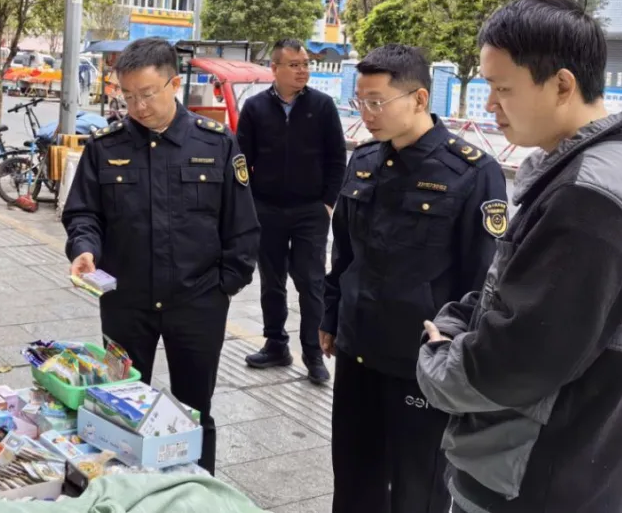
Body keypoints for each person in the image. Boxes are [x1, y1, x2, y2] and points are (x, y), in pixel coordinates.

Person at [418, 0, 622, 513]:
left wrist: (439, 357)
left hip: (532, 477)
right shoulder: (590, 169)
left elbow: (520, 360)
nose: (490, 104)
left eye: (502, 87)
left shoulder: (587, 197)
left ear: (561, 84)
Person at [322, 44, 506, 513]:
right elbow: (344, 254)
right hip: (357, 348)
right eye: (360, 101)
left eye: (377, 101)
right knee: (354, 479)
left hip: (421, 363)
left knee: (417, 489)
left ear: (420, 98)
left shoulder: (472, 172)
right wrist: (329, 316)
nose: (367, 113)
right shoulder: (363, 161)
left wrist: (457, 354)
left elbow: (481, 277)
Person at [62, 37, 259, 475]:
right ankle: (129, 491)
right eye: (127, 95)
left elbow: (242, 228)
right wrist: (84, 249)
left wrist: (223, 288)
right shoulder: (105, 148)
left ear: (173, 84)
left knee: (194, 410)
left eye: (147, 94)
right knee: (121, 409)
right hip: (125, 304)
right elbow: (83, 213)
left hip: (197, 305)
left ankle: (199, 492)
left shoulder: (217, 144)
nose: (137, 106)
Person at [237, 39, 346, 383]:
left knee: (311, 282)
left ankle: (313, 354)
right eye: (295, 64)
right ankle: (275, 344)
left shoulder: (322, 106)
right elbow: (241, 161)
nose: (303, 70)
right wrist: (249, 204)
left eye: (305, 64)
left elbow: (336, 159)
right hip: (266, 209)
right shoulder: (255, 108)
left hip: (309, 211)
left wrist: (327, 203)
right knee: (271, 281)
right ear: (275, 68)